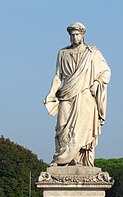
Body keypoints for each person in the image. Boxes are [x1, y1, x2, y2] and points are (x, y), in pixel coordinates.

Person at [44, 22, 111, 166]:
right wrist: (51, 93)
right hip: (66, 94)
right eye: (72, 35)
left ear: (82, 35)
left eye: (77, 34)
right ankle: (63, 159)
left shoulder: (92, 53)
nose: (74, 37)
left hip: (85, 96)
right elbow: (57, 76)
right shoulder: (63, 53)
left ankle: (79, 160)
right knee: (62, 127)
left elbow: (106, 71)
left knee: (82, 130)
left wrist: (97, 82)